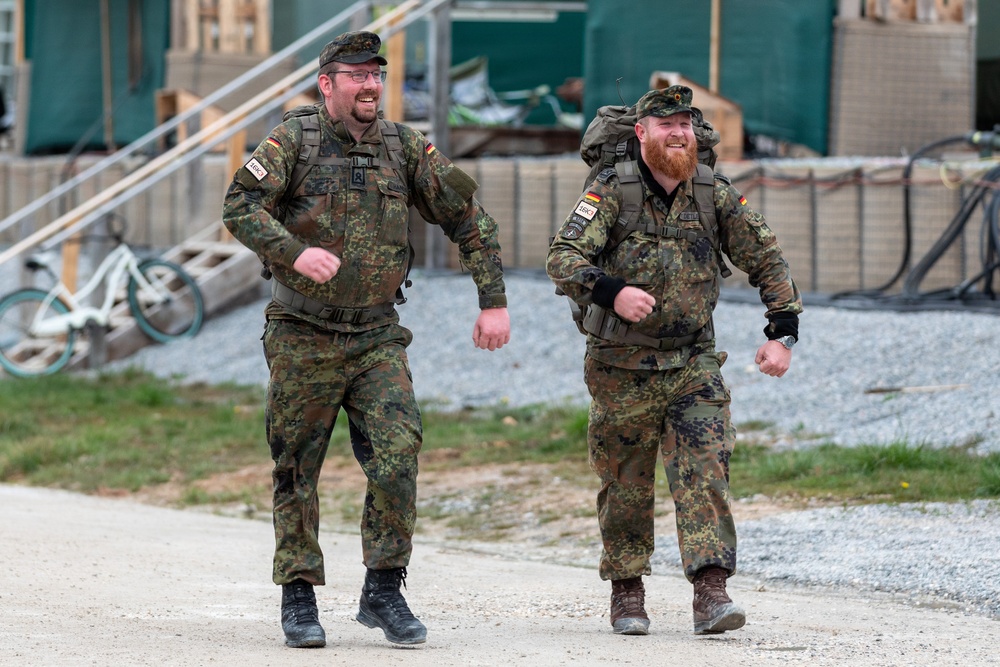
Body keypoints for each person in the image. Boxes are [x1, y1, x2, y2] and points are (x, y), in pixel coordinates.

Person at [222, 31, 510, 649]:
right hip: (302, 332)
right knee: (297, 465)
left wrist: (492, 301)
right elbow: (240, 206)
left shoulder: (404, 148)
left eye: (376, 75)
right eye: (356, 76)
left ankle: (384, 590)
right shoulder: (292, 140)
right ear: (327, 84)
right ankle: (298, 596)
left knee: (399, 451)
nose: (371, 86)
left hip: (378, 335)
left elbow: (469, 219)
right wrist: (295, 255)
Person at [546, 85, 802, 636]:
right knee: (625, 484)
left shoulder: (712, 192)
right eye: (666, 125)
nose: (678, 132)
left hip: (693, 363)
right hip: (620, 368)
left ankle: (711, 593)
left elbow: (767, 258)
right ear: (641, 133)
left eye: (685, 122)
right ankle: (628, 592)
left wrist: (783, 333)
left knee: (705, 472)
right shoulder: (610, 191)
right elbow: (562, 257)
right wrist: (611, 290)